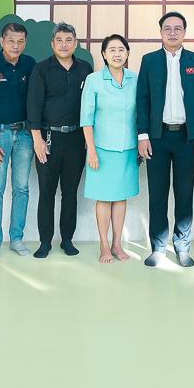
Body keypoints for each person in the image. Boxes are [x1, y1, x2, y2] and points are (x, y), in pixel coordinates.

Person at [134, 11, 194, 268]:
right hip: (157, 137)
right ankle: (158, 248)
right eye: (168, 28)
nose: (173, 32)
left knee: (184, 194)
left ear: (185, 32)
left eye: (178, 28)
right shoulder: (150, 61)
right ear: (161, 32)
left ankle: (182, 247)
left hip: (187, 137)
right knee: (157, 194)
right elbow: (142, 99)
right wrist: (143, 136)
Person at [27, 22, 92, 258]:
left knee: (70, 192)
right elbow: (33, 104)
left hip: (76, 139)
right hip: (48, 138)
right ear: (52, 44)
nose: (64, 45)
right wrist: (37, 139)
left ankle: (67, 240)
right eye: (59, 40)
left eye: (68, 40)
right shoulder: (41, 69)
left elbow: (91, 104)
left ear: (76, 43)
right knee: (46, 192)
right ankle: (45, 242)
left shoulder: (85, 69)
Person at [0, 20, 37, 259]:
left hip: (25, 134)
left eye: (20, 41)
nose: (16, 45)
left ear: (26, 42)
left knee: (21, 188)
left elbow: (37, 101)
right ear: (2, 41)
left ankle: (17, 239)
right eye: (11, 41)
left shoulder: (31, 64)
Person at [82, 34, 140, 264]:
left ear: (127, 53)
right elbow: (86, 119)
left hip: (128, 148)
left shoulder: (135, 78)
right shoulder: (94, 80)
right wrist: (92, 151)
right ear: (104, 55)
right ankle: (104, 245)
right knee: (104, 198)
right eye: (112, 50)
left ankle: (117, 244)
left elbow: (141, 112)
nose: (117, 54)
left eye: (121, 49)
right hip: (102, 149)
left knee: (121, 197)